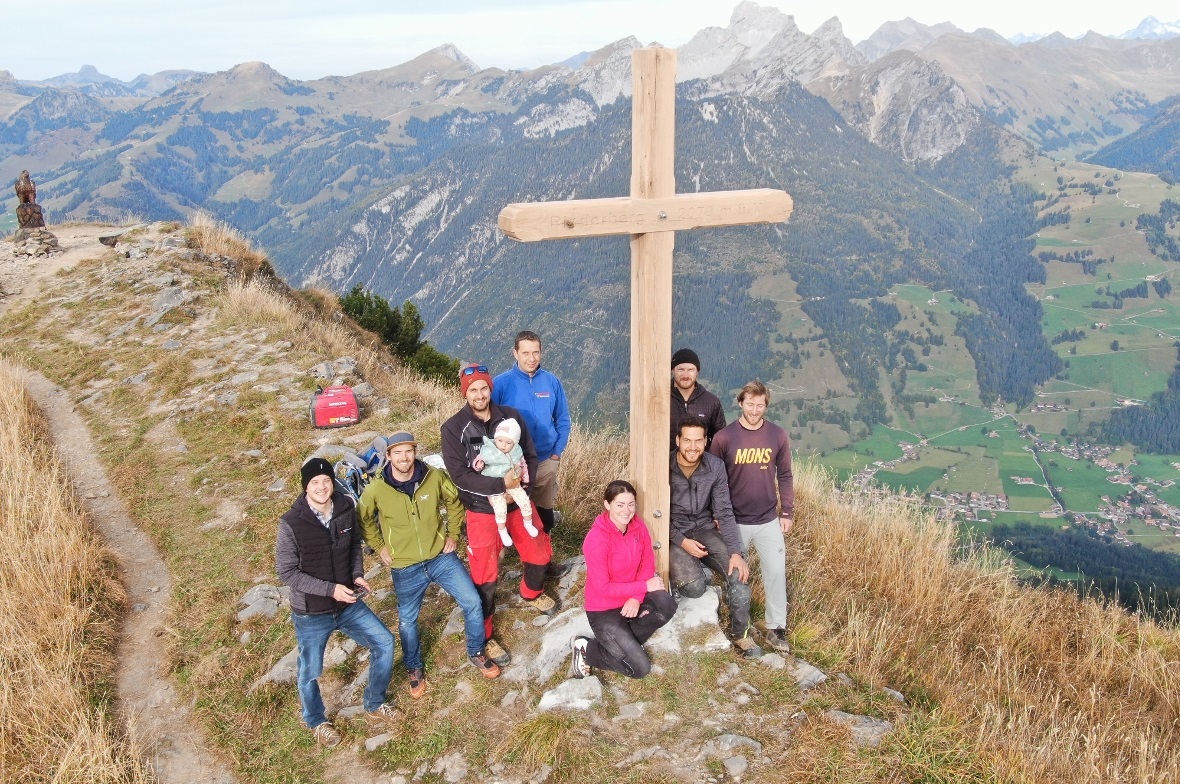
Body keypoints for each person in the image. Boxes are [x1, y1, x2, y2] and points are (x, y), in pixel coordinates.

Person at [357, 432, 502, 700]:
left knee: (472, 601)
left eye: (408, 451)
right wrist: (379, 546)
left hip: (440, 557)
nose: (404, 457)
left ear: (415, 452)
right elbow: (363, 518)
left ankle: (477, 651)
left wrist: (453, 535)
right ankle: (414, 667)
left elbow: (455, 502)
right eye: (397, 453)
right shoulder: (377, 489)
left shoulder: (432, 476)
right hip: (405, 566)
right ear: (388, 456)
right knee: (408, 620)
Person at [276, 457, 397, 747]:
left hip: (348, 604)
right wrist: (331, 590)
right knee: (310, 671)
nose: (321, 487)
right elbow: (286, 572)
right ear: (305, 487)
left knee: (385, 642)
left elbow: (354, 545)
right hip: (311, 612)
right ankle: (316, 720)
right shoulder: (291, 522)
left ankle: (375, 702)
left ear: (333, 482)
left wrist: (356, 575)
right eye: (314, 483)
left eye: (326, 481)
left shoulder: (344, 507)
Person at [441, 363, 556, 666]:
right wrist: (499, 485)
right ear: (465, 393)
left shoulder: (511, 417)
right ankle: (485, 635)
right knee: (484, 573)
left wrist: (521, 489)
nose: (479, 394)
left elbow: (529, 456)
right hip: (480, 509)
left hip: (518, 503)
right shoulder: (453, 429)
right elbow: (459, 475)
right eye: (473, 390)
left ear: (490, 389)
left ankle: (531, 592)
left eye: (483, 388)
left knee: (540, 552)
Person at [709, 381, 794, 653]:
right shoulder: (724, 438)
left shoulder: (777, 436)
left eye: (760, 405)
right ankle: (739, 627)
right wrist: (715, 515)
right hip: (734, 521)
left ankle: (776, 628)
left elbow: (785, 475)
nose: (755, 410)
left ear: (765, 406)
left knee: (776, 573)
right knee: (737, 576)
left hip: (768, 518)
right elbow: (712, 479)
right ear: (740, 403)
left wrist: (787, 511)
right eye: (750, 404)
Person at [668, 419, 762, 659]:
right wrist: (681, 541)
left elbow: (724, 512)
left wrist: (735, 552)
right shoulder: (664, 465)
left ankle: (741, 635)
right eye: (687, 440)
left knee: (738, 573)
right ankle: (697, 570)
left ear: (706, 441)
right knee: (696, 587)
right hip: (672, 533)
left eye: (699, 440)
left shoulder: (715, 467)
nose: (693, 446)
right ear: (678, 440)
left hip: (704, 528)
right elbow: (655, 513)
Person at [571, 480, 677, 679]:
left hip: (631, 598)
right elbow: (603, 588)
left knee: (666, 605)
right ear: (607, 504)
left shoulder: (638, 526)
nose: (627, 511)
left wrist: (637, 596)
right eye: (620, 504)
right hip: (604, 609)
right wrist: (645, 586)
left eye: (631, 504)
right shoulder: (596, 539)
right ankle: (586, 648)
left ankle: (626, 644)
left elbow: (647, 564)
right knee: (640, 668)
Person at [492, 331, 572, 534]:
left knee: (544, 508)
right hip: (514, 461)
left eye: (536, 352)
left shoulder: (551, 382)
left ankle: (544, 547)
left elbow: (562, 419)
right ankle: (517, 545)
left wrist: (556, 453)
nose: (531, 358)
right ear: (515, 353)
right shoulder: (501, 383)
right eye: (525, 353)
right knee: (515, 504)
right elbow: (491, 423)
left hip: (546, 459)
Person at [472, 417, 538, 546]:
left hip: (513, 483)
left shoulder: (516, 452)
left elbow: (523, 466)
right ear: (495, 438)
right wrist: (478, 465)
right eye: (500, 440)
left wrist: (525, 481)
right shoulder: (489, 450)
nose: (503, 445)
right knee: (500, 507)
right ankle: (502, 530)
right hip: (495, 485)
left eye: (508, 443)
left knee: (524, 500)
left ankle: (528, 523)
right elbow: (478, 461)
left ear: (514, 443)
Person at [669, 347, 726, 449]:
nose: (685, 375)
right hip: (665, 463)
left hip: (701, 463)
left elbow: (721, 441)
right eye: (681, 369)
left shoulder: (711, 402)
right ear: (673, 370)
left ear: (697, 372)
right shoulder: (660, 400)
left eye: (690, 370)